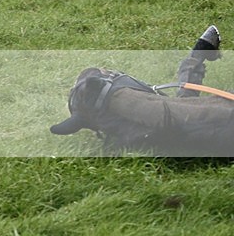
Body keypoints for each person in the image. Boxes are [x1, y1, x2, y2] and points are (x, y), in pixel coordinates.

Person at [49, 25, 234, 156]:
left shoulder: (140, 123)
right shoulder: (136, 113)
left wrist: (196, 57)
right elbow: (183, 111)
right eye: (111, 74)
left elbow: (183, 104)